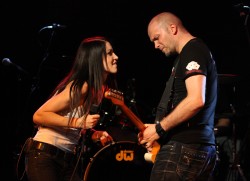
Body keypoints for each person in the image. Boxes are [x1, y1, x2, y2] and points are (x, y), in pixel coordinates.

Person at [24, 36, 118, 181]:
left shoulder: (95, 89)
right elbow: (39, 115)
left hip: (66, 160)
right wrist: (78, 123)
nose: (116, 57)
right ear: (96, 58)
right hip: (45, 157)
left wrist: (93, 133)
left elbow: (71, 119)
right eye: (110, 53)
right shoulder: (82, 86)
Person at [138, 12, 218, 181]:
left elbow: (196, 100)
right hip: (196, 148)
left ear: (172, 28)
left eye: (157, 38)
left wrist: (159, 129)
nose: (156, 45)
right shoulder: (190, 53)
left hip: (185, 148)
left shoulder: (193, 50)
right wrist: (156, 127)